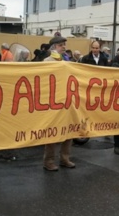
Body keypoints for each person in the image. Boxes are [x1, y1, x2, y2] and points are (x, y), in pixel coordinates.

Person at [42, 36, 75, 171]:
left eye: (64, 45)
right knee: (52, 132)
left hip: (67, 100)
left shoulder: (67, 60)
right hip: (53, 101)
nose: (64, 47)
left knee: (69, 130)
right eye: (61, 45)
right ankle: (48, 160)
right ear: (54, 47)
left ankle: (64, 158)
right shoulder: (47, 61)